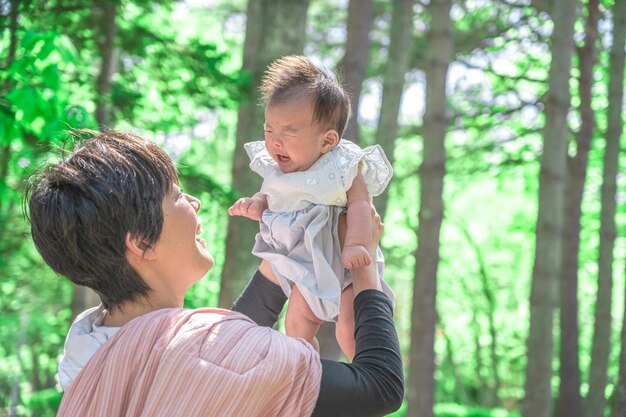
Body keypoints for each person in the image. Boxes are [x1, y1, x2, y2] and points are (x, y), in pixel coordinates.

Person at [27, 130, 403, 417]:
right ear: (141, 242)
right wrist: (365, 265)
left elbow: (223, 352)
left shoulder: (87, 346)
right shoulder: (195, 351)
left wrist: (284, 253)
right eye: (176, 195)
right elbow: (380, 387)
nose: (195, 202)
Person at [229, 55, 394, 360]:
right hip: (305, 271)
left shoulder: (343, 164)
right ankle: (308, 371)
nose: (274, 142)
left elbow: (361, 205)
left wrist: (358, 244)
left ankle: (365, 371)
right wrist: (257, 203)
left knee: (349, 325)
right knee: (296, 326)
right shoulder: (277, 168)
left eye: (288, 132)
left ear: (327, 140)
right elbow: (274, 195)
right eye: (268, 131)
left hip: (344, 264)